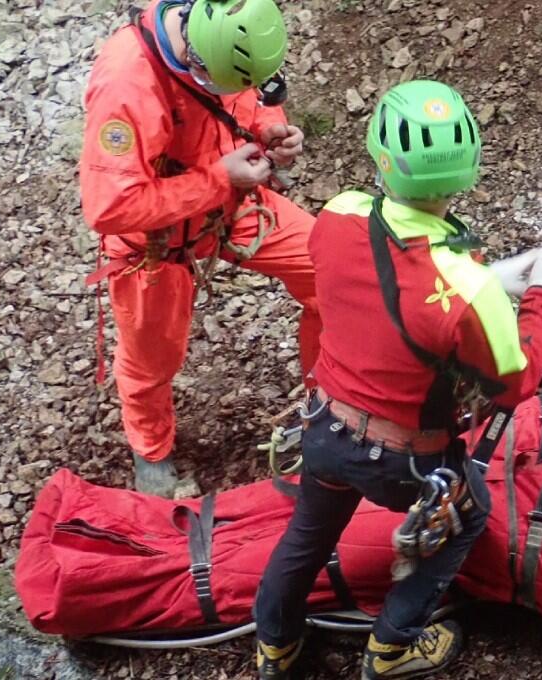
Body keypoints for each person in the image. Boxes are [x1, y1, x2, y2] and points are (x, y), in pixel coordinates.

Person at [251, 80, 542, 679]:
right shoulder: (468, 291)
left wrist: (491, 278)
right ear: (469, 170)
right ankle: (392, 647)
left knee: (308, 534)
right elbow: (516, 382)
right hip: (406, 463)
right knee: (467, 518)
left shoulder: (339, 216)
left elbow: (393, 287)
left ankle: (275, 645)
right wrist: (541, 297)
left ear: (381, 156)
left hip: (324, 428)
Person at [79, 0, 320, 497]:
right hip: (154, 241)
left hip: (229, 204)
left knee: (332, 273)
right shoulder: (128, 83)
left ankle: (332, 408)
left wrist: (269, 129)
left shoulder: (231, 28)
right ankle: (151, 453)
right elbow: (109, 207)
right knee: (152, 359)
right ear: (195, 57)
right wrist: (218, 178)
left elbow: (252, 97)